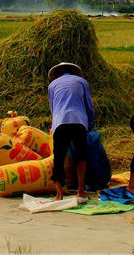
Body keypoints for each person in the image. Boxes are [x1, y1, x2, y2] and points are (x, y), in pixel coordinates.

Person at [47, 62, 94, 201]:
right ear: (73, 72)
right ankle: (81, 190)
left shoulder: (52, 85)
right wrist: (90, 124)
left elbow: (53, 108)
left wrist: (53, 125)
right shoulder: (81, 81)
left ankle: (59, 193)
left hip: (60, 122)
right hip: (79, 121)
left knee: (59, 158)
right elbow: (88, 104)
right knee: (81, 156)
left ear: (57, 74)